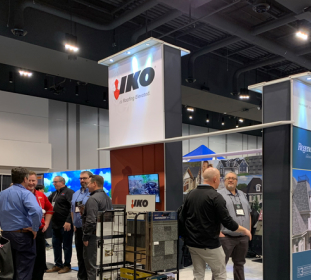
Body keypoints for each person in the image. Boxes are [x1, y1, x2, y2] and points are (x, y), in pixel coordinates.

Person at [179, 168, 252, 280]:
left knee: (198, 274)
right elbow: (227, 222)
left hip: (193, 243)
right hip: (209, 244)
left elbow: (181, 217)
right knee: (220, 274)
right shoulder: (216, 196)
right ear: (215, 179)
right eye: (220, 179)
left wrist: (185, 237)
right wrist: (245, 230)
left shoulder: (190, 194)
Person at [0, 167, 42, 280]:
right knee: (24, 269)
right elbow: (37, 211)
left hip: (5, 236)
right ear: (25, 179)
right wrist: (34, 228)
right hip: (22, 236)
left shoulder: (2, 194)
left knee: (9, 269)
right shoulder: (26, 194)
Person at [214, 172, 251, 280]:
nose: (231, 180)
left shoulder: (243, 195)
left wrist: (248, 230)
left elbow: (248, 213)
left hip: (242, 238)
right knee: (220, 267)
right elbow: (212, 215)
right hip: (226, 238)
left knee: (240, 264)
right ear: (224, 181)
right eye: (228, 178)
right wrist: (218, 232)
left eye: (233, 178)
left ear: (237, 181)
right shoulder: (218, 195)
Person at [82, 175, 112, 280]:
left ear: (94, 183)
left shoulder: (93, 199)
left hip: (94, 237)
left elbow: (91, 220)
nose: (87, 185)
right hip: (106, 236)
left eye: (89, 183)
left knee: (92, 267)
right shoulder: (107, 198)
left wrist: (86, 237)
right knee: (104, 266)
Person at [27, 171, 54, 280]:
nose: (31, 183)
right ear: (25, 180)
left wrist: (46, 224)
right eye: (29, 180)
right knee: (26, 260)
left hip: (39, 232)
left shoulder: (40, 195)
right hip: (25, 232)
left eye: (33, 180)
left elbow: (50, 209)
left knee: (39, 260)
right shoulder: (21, 194)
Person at [46, 176, 74, 274]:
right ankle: (58, 264)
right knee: (56, 245)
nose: (54, 184)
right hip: (55, 225)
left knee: (66, 246)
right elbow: (47, 204)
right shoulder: (54, 194)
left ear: (62, 182)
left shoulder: (69, 192)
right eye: (53, 182)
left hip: (65, 224)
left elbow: (73, 208)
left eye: (55, 182)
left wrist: (69, 221)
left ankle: (67, 265)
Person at [71, 171, 92, 280]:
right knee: (80, 255)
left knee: (88, 256)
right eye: (80, 178)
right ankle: (81, 277)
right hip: (78, 229)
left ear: (90, 179)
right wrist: (74, 222)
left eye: (84, 178)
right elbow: (73, 210)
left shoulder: (93, 194)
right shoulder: (76, 193)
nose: (82, 180)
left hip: (89, 229)